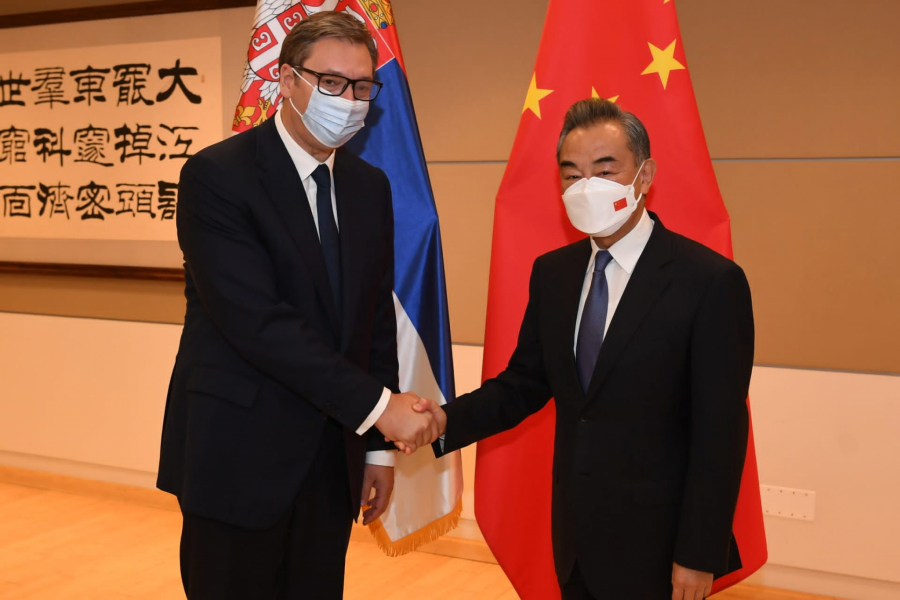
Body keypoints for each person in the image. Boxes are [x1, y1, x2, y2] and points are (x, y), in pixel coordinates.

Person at [414, 98, 754, 599]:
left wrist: (698, 554)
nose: (586, 186)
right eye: (572, 175)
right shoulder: (554, 273)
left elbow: (720, 432)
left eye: (605, 170)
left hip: (662, 548)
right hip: (575, 539)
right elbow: (525, 383)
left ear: (644, 175)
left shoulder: (709, 281)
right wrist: (442, 421)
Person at [156, 12, 439, 600]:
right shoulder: (217, 176)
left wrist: (379, 448)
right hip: (236, 455)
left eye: (362, 87)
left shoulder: (369, 186)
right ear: (287, 81)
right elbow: (256, 323)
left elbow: (374, 322)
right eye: (331, 82)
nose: (349, 101)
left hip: (329, 460)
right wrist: (381, 408)